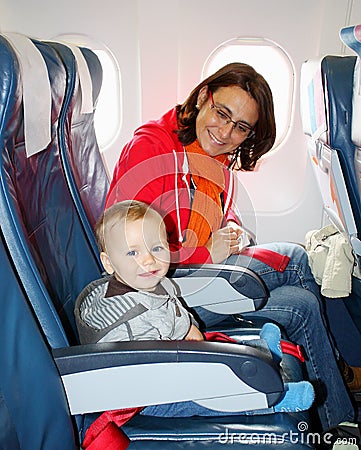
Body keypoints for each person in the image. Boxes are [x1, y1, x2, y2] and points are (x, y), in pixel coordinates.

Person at [104, 63, 359, 432]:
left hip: (191, 276)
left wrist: (234, 231)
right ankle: (341, 386)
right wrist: (208, 253)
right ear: (204, 96)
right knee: (299, 258)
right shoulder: (152, 148)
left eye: (241, 127)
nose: (225, 132)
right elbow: (130, 247)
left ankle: (337, 415)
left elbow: (213, 216)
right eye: (222, 113)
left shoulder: (210, 157)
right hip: (162, 296)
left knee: (302, 304)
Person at [75, 199, 314, 416]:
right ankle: (273, 400)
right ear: (108, 263)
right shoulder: (128, 319)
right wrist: (196, 359)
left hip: (171, 360)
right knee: (208, 396)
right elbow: (149, 366)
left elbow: (173, 309)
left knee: (219, 354)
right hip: (149, 394)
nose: (148, 260)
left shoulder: (149, 282)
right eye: (132, 252)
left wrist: (188, 327)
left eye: (156, 248)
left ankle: (261, 353)